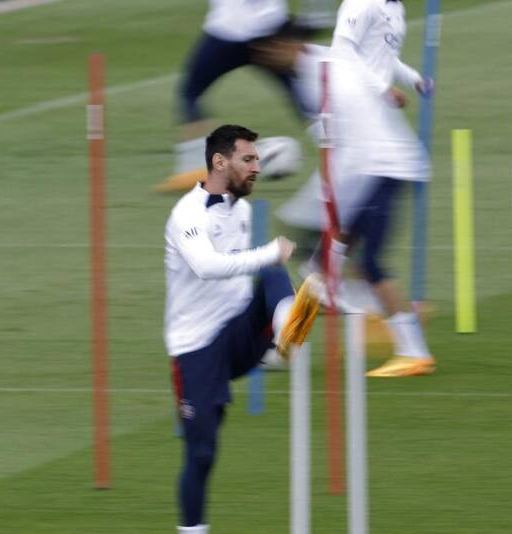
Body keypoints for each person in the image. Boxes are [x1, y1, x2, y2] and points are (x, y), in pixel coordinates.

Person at [164, 124, 322, 533]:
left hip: (237, 331)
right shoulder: (188, 214)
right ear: (220, 162)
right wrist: (268, 252)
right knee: (202, 453)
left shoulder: (244, 211)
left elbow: (244, 272)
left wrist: (268, 262)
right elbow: (206, 267)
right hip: (195, 346)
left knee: (272, 272)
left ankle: (287, 331)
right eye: (248, 160)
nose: (257, 168)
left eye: (257, 159)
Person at [254, 34, 436, 378]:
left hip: (384, 169)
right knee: (319, 269)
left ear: (290, 44)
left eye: (269, 50)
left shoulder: (322, 76)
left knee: (366, 264)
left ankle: (412, 351)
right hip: (373, 169)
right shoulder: (323, 68)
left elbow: (347, 147)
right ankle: (288, 346)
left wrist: (317, 206)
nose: (267, 58)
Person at [154, 1, 316, 193]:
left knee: (191, 94)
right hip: (271, 31)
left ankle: (194, 168)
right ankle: (336, 150)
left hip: (228, 32)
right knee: (299, 94)